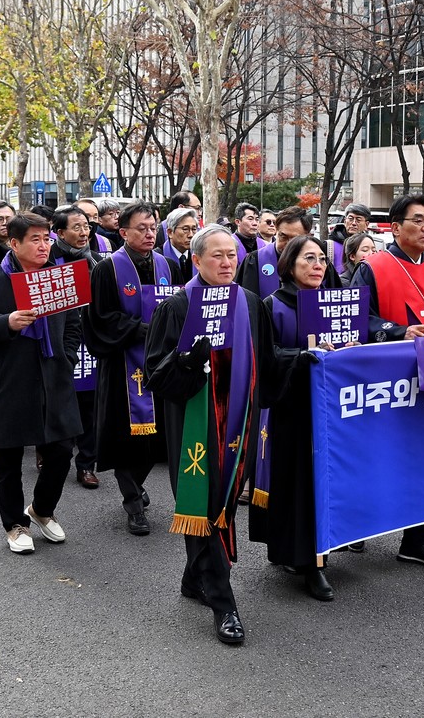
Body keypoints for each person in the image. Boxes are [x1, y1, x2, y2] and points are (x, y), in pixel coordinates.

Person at [146, 224, 279, 646]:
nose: (226, 262)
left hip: (239, 420)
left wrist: (312, 358)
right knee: (202, 503)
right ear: (197, 259)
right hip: (194, 425)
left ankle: (195, 579)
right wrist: (186, 362)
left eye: (232, 254)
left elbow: (270, 364)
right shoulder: (179, 306)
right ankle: (225, 605)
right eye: (217, 255)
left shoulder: (251, 304)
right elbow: (156, 374)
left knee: (223, 503)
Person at [349, 194, 424, 568]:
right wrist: (398, 331)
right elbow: (355, 317)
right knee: (377, 456)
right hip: (388, 379)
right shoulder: (373, 267)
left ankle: (417, 541)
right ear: (396, 227)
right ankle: (357, 528)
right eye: (417, 220)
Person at [0, 213, 82, 555]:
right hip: (10, 378)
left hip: (54, 376)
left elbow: (73, 323)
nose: (44, 245)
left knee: (61, 450)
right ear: (13, 244)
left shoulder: (58, 277)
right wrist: (8, 322)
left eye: (46, 239)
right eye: (35, 239)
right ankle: (15, 524)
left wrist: (67, 356)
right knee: (9, 456)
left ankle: (42, 509)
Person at [251, 235, 336, 601]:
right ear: (288, 264)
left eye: (322, 259)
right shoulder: (272, 305)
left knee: (325, 481)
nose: (318, 266)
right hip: (290, 408)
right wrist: (302, 356)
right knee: (297, 483)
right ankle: (308, 564)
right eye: (309, 259)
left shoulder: (336, 302)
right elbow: (265, 357)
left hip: (330, 410)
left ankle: (319, 551)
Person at [89, 202, 177, 534]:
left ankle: (135, 485)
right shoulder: (107, 269)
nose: (149, 233)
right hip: (122, 364)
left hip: (159, 364)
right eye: (141, 228)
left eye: (153, 227)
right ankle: (132, 502)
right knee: (126, 436)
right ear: (123, 232)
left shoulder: (167, 265)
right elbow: (101, 318)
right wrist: (142, 330)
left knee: (155, 440)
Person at [49, 206, 105, 488]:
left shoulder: (96, 261)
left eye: (87, 226)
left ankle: (86, 464)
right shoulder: (46, 261)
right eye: (77, 227)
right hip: (56, 342)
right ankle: (49, 453)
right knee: (57, 400)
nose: (84, 232)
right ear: (59, 233)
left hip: (89, 342)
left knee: (89, 405)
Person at [239, 206, 340, 301]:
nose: (288, 245)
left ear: (306, 235)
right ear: (276, 230)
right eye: (283, 236)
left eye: (295, 239)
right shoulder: (256, 260)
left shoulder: (320, 263)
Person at [159, 207, 199, 285]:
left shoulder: (199, 257)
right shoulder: (157, 257)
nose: (191, 235)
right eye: (185, 229)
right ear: (170, 232)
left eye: (194, 229)